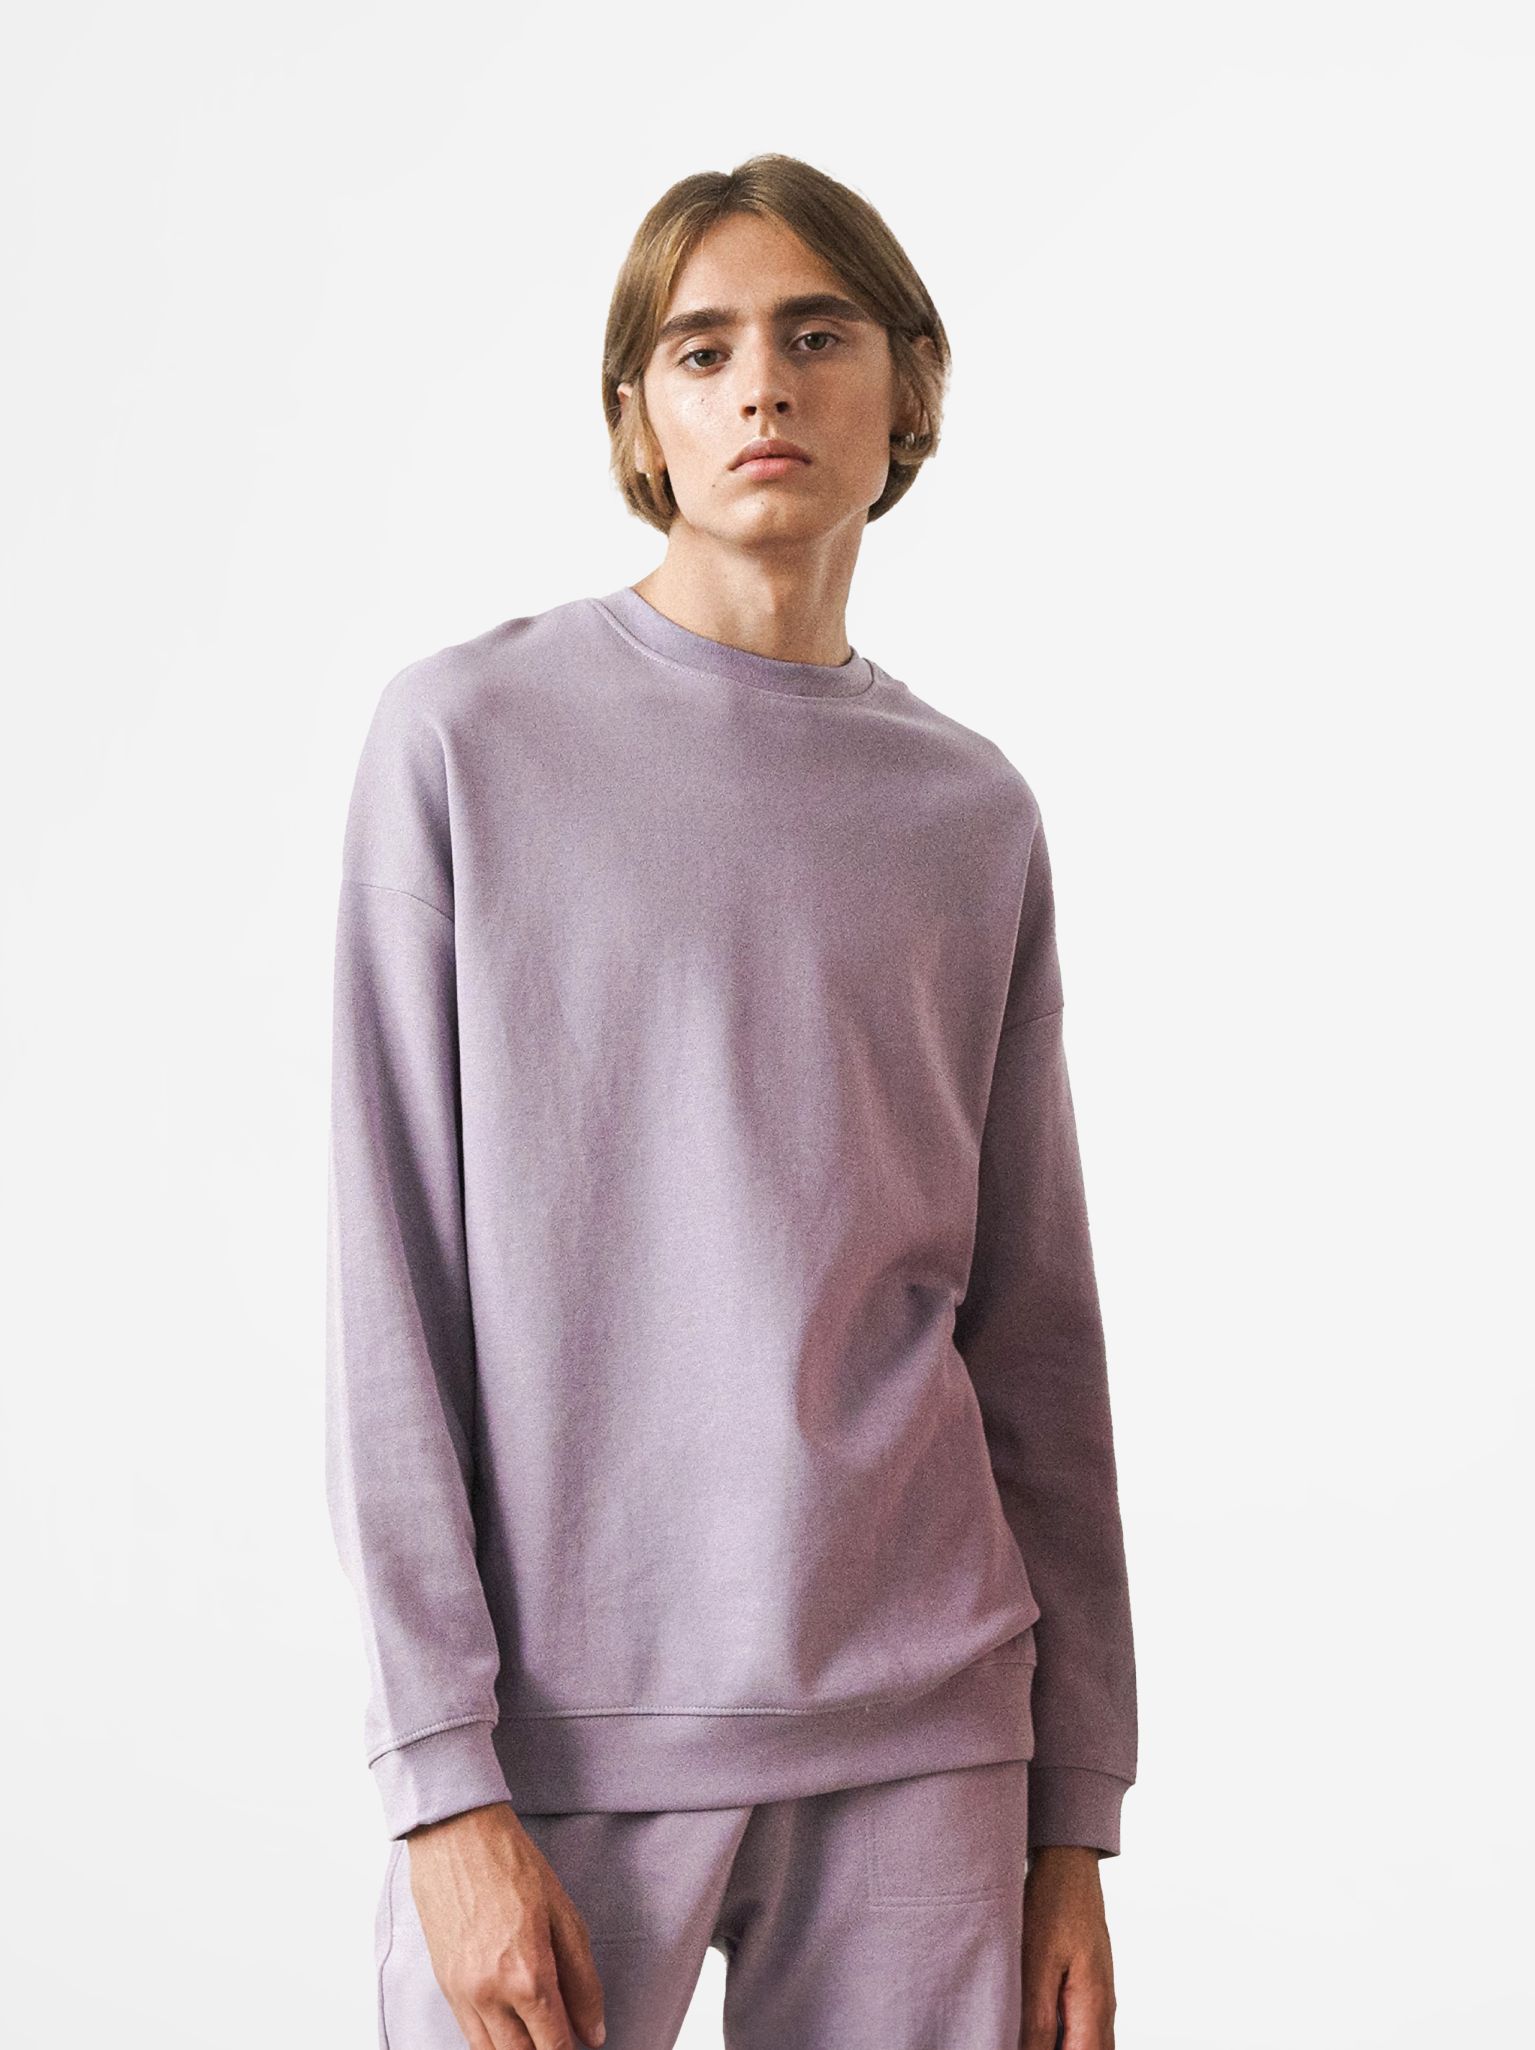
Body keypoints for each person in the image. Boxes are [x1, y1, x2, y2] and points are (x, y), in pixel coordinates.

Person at [326, 151, 1137, 2050]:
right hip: (562, 1737)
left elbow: (1036, 1333)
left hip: (930, 1726)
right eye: (702, 349)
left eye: (815, 334)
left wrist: (1071, 1818)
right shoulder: (466, 741)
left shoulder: (971, 812)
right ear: (641, 416)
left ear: (907, 389)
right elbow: (390, 1294)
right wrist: (440, 1785)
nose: (761, 383)